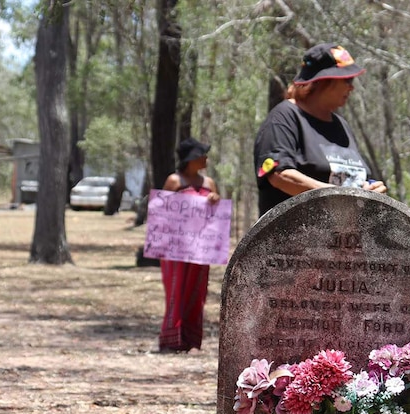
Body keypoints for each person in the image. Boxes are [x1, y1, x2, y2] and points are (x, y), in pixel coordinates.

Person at [253, 42, 387, 216]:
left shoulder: (341, 125)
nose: (351, 87)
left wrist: (373, 189)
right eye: (347, 80)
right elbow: (279, 175)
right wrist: (338, 196)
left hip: (343, 239)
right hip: (294, 237)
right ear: (322, 81)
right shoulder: (285, 117)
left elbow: (355, 177)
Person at [158, 137, 221, 353]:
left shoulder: (209, 183)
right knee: (176, 290)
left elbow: (216, 216)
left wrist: (215, 200)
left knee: (197, 290)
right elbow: (161, 212)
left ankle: (191, 339)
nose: (206, 158)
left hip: (200, 247)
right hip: (175, 247)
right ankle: (171, 339)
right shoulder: (174, 181)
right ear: (191, 159)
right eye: (202, 154)